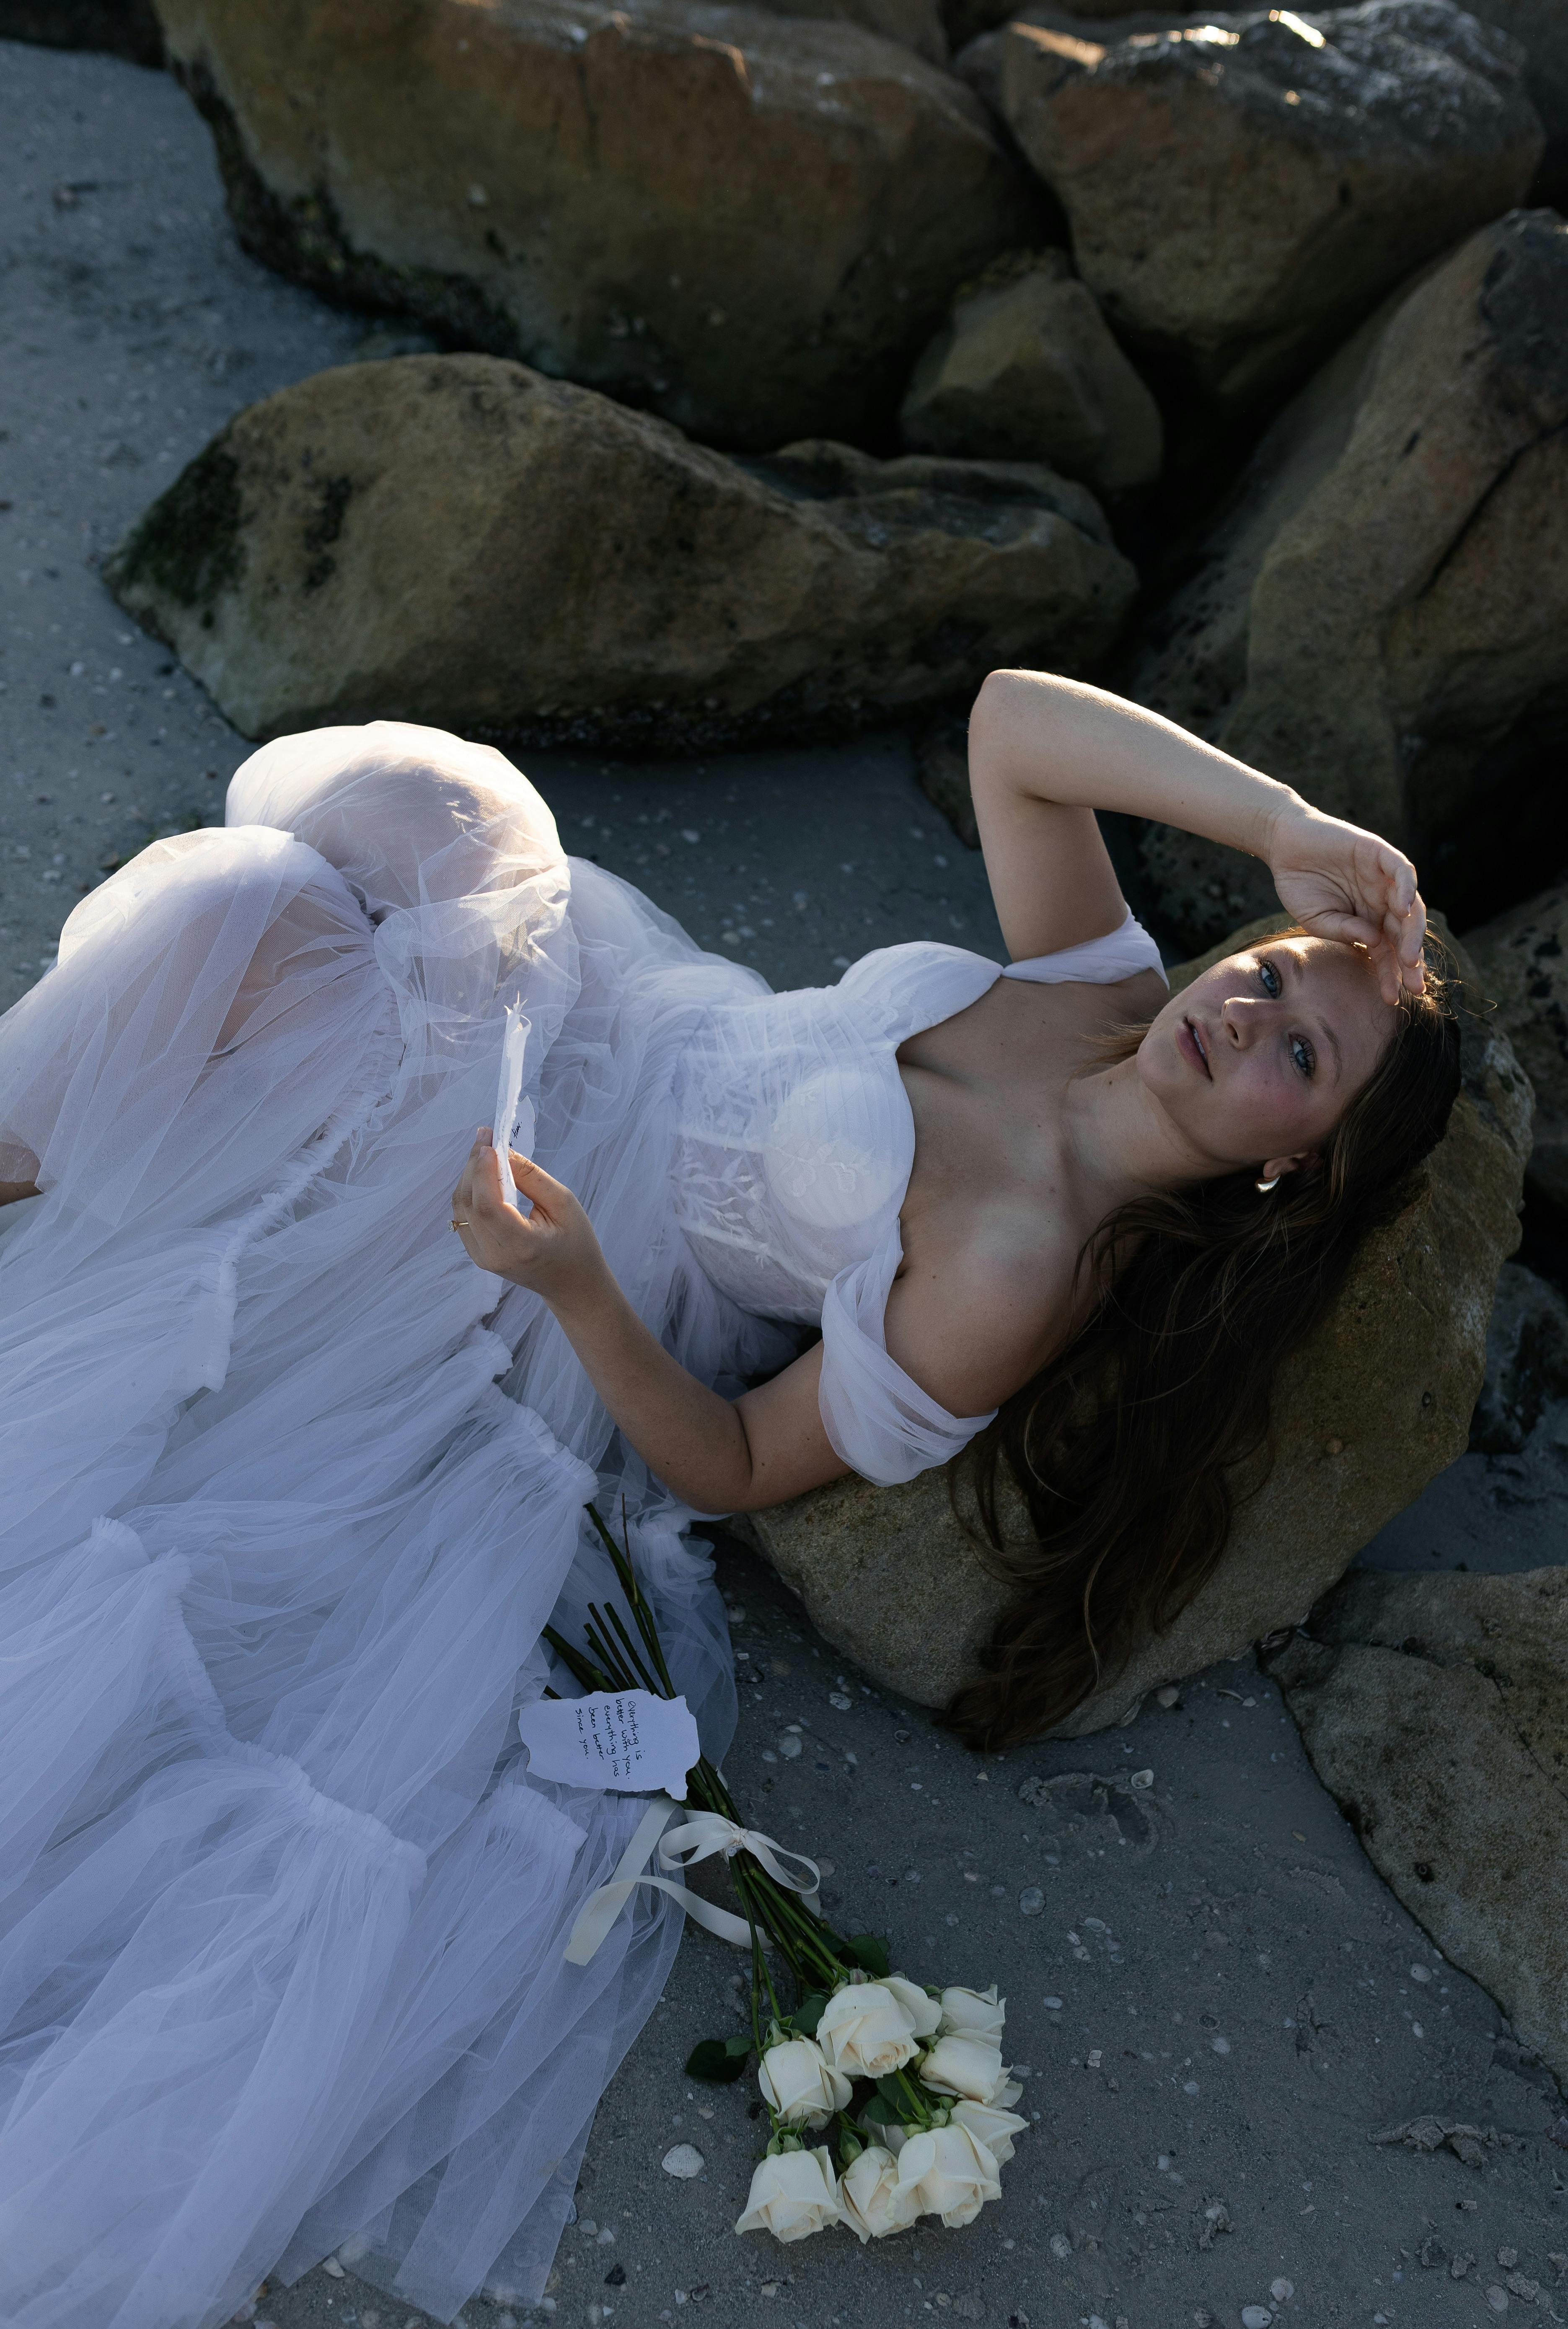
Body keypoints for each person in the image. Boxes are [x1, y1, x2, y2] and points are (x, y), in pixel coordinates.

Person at [0, 674, 1456, 2327]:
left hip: (580, 1239)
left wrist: (573, 1283)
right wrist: (1288, 828)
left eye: (1299, 1055)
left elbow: (741, 1461)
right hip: (633, 1008)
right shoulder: (1103, 988)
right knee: (406, 806)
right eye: (1267, 972)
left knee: (250, 916)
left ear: (1300, 1163)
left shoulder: (1015, 1269)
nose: (1246, 1014)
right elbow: (1012, 726)